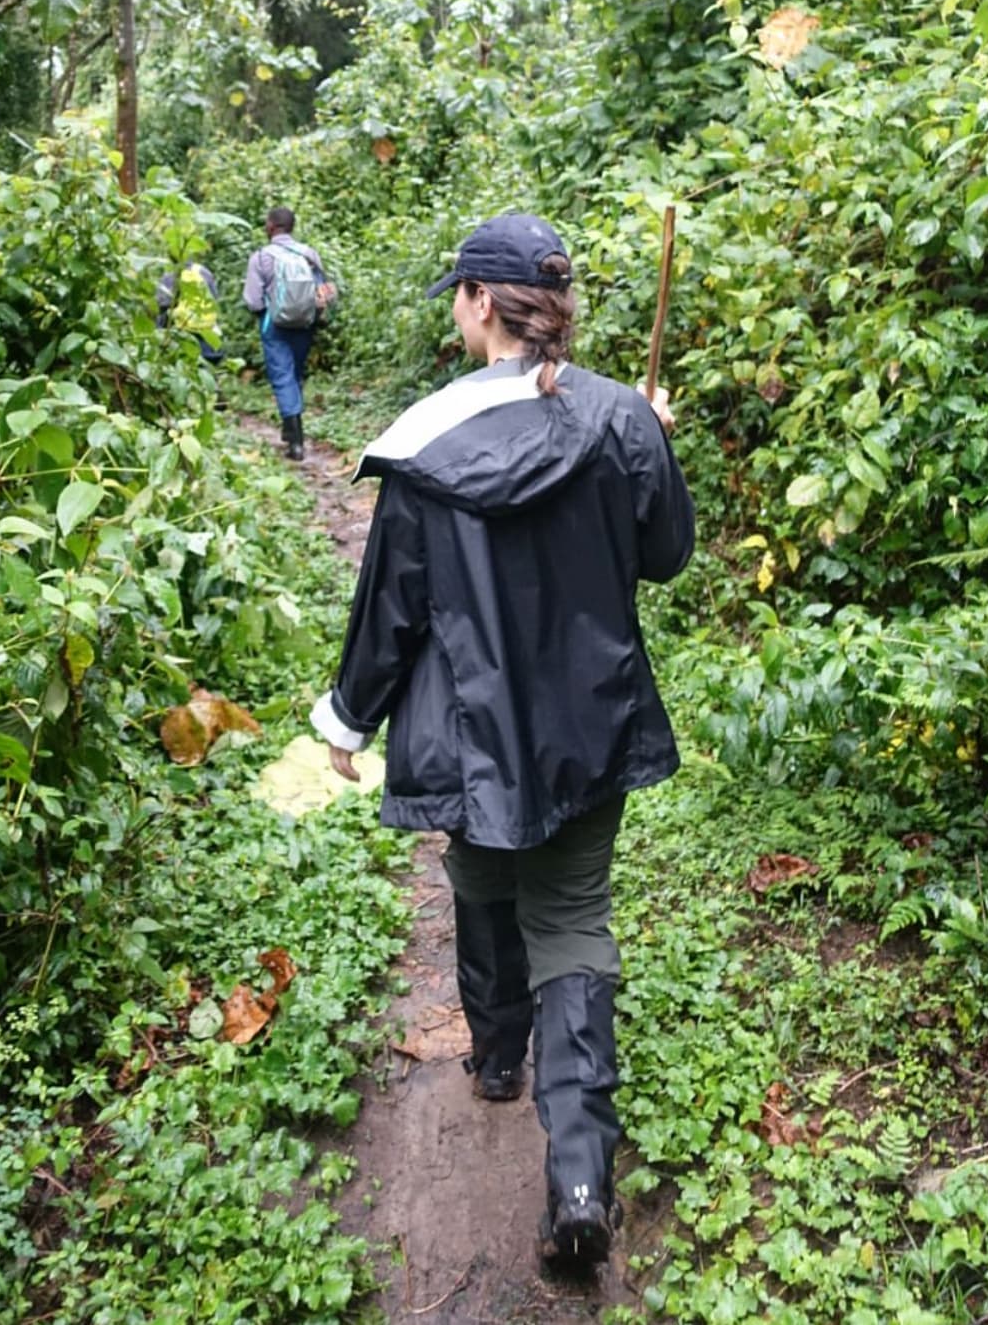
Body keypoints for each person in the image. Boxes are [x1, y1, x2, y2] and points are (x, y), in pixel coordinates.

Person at [309, 212, 695, 1266]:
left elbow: (393, 606)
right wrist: (653, 441)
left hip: (474, 737)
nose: (455, 307)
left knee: (481, 879)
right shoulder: (620, 419)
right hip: (590, 725)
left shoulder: (426, 439)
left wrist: (346, 719)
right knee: (571, 919)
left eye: (457, 292)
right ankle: (578, 1175)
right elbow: (664, 556)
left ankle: (492, 1055)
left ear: (482, 303)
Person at [242, 206, 336, 460]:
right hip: (305, 322)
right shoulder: (308, 253)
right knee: (294, 374)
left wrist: (268, 311)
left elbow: (253, 300)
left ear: (271, 226)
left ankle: (296, 441)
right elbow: (322, 290)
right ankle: (290, 427)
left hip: (274, 325)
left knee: (282, 376)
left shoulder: (261, 257)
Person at [156, 261, 226, 364]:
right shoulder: (203, 271)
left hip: (179, 338)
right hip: (208, 345)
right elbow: (213, 300)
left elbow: (163, 304)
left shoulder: (170, 275)